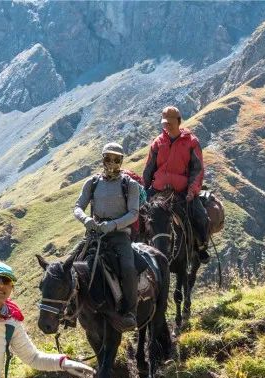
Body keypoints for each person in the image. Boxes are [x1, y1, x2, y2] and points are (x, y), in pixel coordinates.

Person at [73, 142, 141, 330]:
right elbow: (78, 206)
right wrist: (86, 220)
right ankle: (70, 311)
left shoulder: (130, 185)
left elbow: (134, 213)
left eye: (116, 159)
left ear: (121, 161)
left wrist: (113, 225)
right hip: (94, 234)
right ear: (102, 159)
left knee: (128, 268)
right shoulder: (92, 183)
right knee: (70, 265)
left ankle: (130, 312)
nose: (112, 162)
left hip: (119, 235)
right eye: (108, 158)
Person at [142, 105, 210, 261]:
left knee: (201, 217)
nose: (167, 126)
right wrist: (143, 190)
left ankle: (201, 247)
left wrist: (192, 191)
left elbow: (197, 169)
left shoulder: (191, 142)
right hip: (158, 189)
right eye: (165, 123)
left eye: (170, 123)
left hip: (182, 192)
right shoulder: (158, 142)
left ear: (179, 122)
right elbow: (149, 168)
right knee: (138, 213)